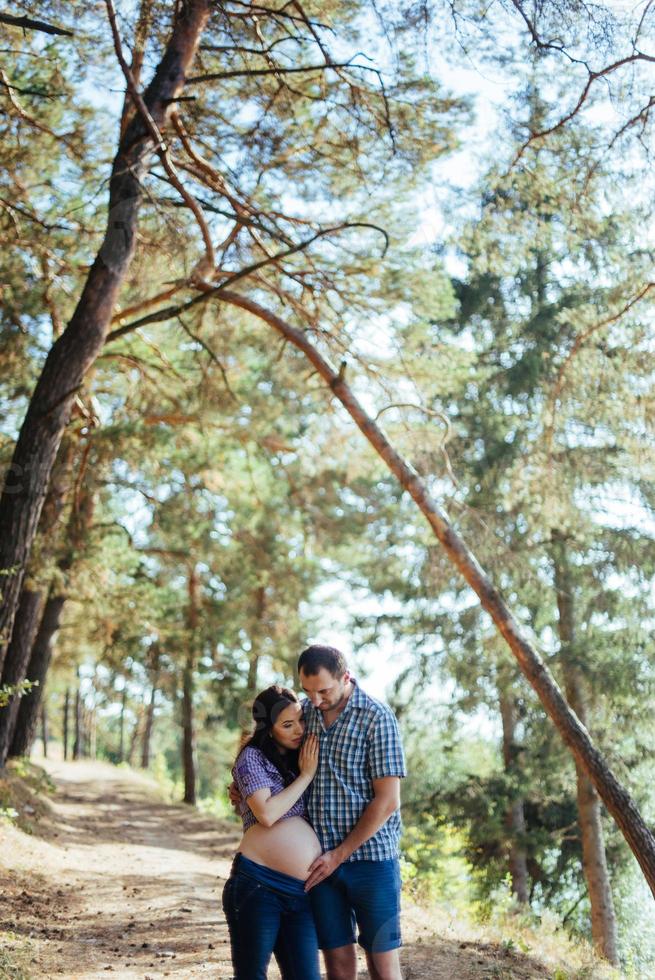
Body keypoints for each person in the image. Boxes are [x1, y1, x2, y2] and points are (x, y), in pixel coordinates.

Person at [298, 644, 406, 980]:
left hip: (372, 862)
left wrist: (340, 854)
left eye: (323, 690)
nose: (315, 700)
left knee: (383, 966)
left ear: (345, 677)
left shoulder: (376, 717)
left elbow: (388, 801)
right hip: (321, 866)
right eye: (307, 691)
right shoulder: (305, 713)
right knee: (338, 963)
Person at [222, 684, 322, 980]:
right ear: (269, 728)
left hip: (301, 893)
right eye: (287, 725)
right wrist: (305, 776)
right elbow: (266, 814)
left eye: (301, 720)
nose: (298, 730)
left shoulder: (300, 756)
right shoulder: (252, 757)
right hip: (258, 885)